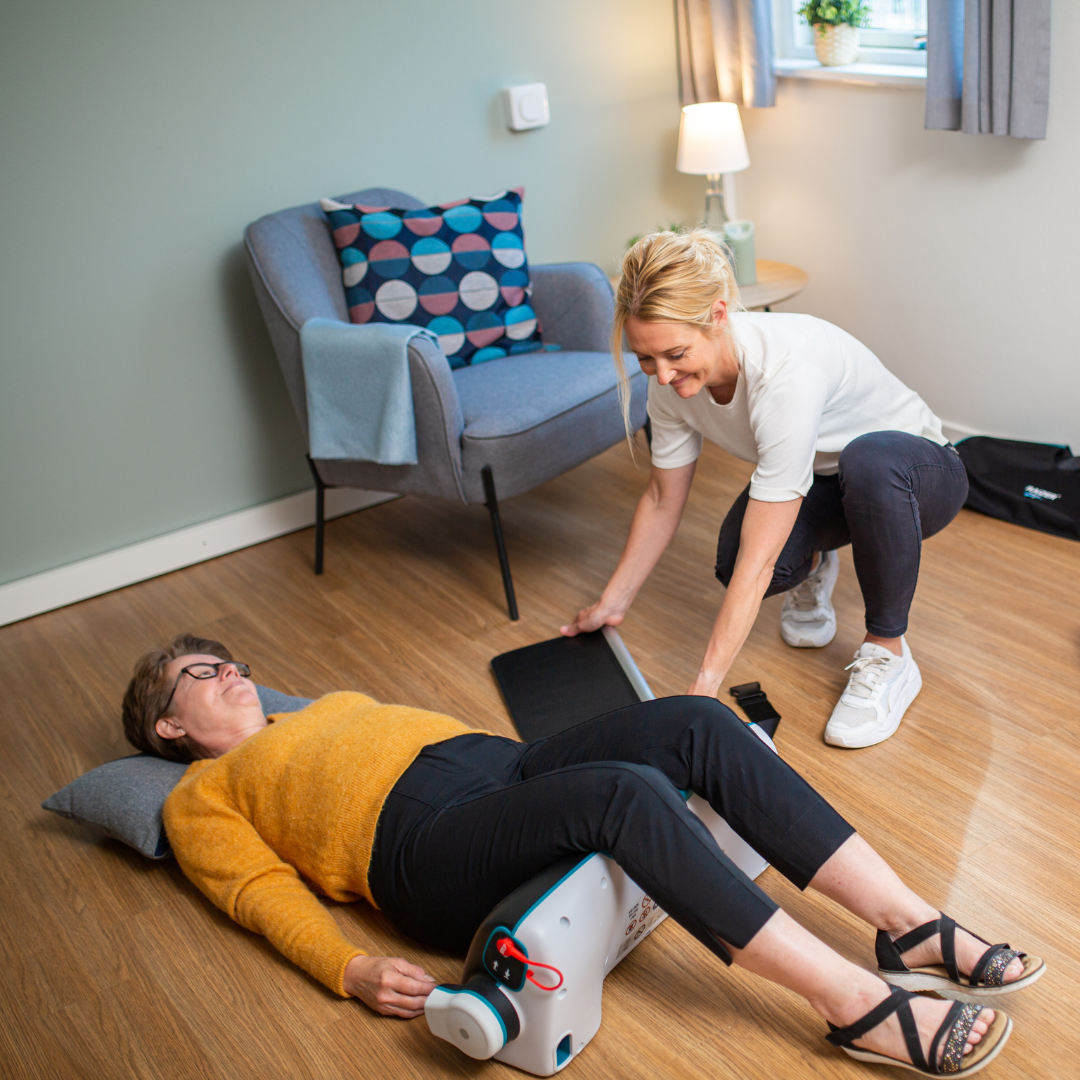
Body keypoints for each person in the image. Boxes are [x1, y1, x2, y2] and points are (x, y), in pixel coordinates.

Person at [122, 634, 1043, 1076]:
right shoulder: (200, 796)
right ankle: (856, 1005)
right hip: (419, 851)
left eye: (227, 659)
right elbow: (255, 895)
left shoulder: (310, 707)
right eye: (199, 675)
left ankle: (908, 925)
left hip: (503, 768)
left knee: (696, 721)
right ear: (169, 725)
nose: (227, 670)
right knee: (624, 796)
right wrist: (349, 967)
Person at [562, 230, 970, 749]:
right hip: (825, 482)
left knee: (866, 460)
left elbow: (762, 558)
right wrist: (609, 603)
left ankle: (888, 653)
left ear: (717, 315)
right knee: (735, 562)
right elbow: (663, 498)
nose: (661, 376)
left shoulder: (785, 370)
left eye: (674, 354)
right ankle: (819, 561)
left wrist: (703, 691)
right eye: (645, 358)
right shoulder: (668, 385)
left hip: (918, 476)